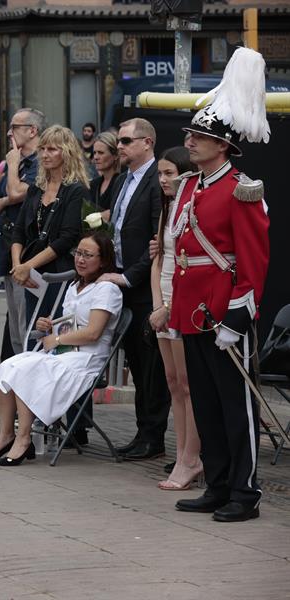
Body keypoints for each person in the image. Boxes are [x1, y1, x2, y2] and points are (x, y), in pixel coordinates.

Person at [170, 48, 270, 522]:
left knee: (236, 406)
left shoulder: (241, 189)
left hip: (224, 310)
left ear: (223, 145)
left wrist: (237, 314)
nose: (190, 141)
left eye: (200, 136)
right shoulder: (192, 185)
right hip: (192, 308)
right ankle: (217, 482)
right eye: (192, 133)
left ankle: (245, 493)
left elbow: (253, 260)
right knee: (206, 404)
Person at [0, 231, 123, 465]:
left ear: (104, 260)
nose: (80, 259)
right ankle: (6, 434)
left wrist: (56, 341)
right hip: (64, 353)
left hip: (85, 359)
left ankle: (24, 438)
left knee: (27, 371)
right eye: (78, 253)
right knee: (11, 365)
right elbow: (67, 325)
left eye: (88, 255)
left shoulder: (107, 289)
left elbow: (93, 333)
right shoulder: (74, 286)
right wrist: (48, 326)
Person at [102, 118, 169, 462]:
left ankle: (153, 436)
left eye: (126, 141)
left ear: (147, 142)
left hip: (145, 288)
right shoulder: (123, 180)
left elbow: (156, 241)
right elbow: (117, 228)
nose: (120, 147)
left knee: (152, 367)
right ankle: (143, 432)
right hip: (122, 284)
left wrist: (130, 276)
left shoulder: (158, 180)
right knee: (137, 366)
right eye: (118, 142)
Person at [147, 146, 200, 490]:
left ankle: (191, 457)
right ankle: (181, 451)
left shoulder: (193, 205)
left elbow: (188, 264)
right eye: (160, 174)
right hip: (164, 302)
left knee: (188, 383)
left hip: (183, 303)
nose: (163, 180)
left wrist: (169, 306)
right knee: (173, 382)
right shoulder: (168, 207)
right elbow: (160, 259)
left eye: (169, 173)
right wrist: (157, 304)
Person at [10, 125, 88, 332]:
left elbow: (67, 238)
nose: (45, 154)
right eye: (42, 149)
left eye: (52, 149)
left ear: (67, 151)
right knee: (32, 334)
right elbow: (18, 231)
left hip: (60, 275)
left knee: (56, 334)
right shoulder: (36, 189)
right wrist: (19, 266)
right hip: (32, 276)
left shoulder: (75, 190)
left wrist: (27, 267)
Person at [0, 108, 43, 357]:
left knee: (26, 325)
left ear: (32, 130)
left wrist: (14, 164)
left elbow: (19, 193)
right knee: (16, 327)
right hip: (8, 253)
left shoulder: (37, 163)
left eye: (15, 127)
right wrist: (8, 199)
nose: (9, 133)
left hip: (27, 255)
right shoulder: (14, 166)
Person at [88, 131, 120, 216]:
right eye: (94, 153)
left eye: (101, 153)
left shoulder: (122, 182)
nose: (96, 157)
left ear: (115, 155)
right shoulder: (94, 184)